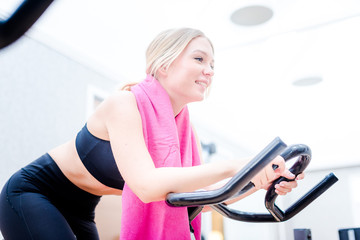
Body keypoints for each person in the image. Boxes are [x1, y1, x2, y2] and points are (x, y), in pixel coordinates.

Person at [0, 28, 303, 240]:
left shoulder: (185, 131)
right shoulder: (125, 103)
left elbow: (199, 201)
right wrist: (239, 165)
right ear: (164, 64)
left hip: (81, 209)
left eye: (212, 64)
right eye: (199, 59)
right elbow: (146, 186)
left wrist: (262, 181)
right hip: (34, 194)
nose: (210, 70)